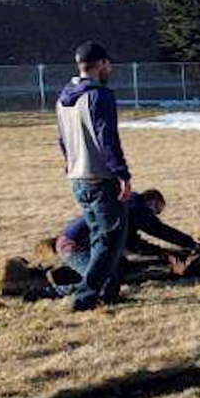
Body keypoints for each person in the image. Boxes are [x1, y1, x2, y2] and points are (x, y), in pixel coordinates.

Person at [55, 41, 132, 311]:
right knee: (109, 241)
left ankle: (108, 290)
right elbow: (107, 139)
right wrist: (122, 174)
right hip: (100, 178)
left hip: (77, 178)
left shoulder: (63, 98)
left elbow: (62, 140)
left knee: (101, 239)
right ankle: (84, 297)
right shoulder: (100, 95)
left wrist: (70, 164)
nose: (109, 69)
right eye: (108, 64)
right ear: (101, 64)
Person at [48, 190, 200, 295]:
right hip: (74, 246)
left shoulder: (127, 209)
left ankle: (68, 274)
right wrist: (191, 244)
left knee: (120, 265)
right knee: (107, 282)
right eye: (157, 209)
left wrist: (162, 253)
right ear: (151, 201)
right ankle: (50, 292)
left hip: (79, 245)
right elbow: (160, 230)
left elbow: (135, 244)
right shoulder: (136, 208)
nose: (155, 215)